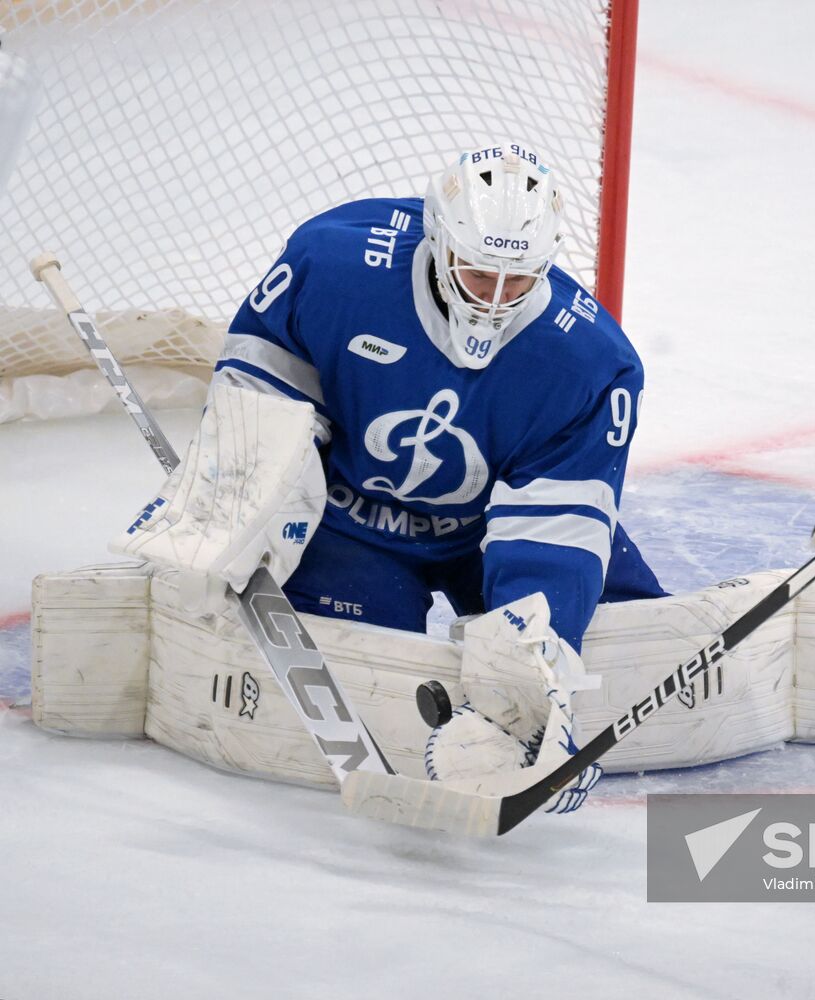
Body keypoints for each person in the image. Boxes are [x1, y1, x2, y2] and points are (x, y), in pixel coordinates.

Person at [113, 141, 665, 801]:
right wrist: (228, 509)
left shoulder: (590, 362)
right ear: (438, 239)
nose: (493, 298)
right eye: (475, 272)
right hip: (346, 521)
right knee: (382, 678)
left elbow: (552, 530)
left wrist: (530, 679)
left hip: (485, 528)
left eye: (515, 280)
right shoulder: (335, 266)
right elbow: (255, 405)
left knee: (637, 642)